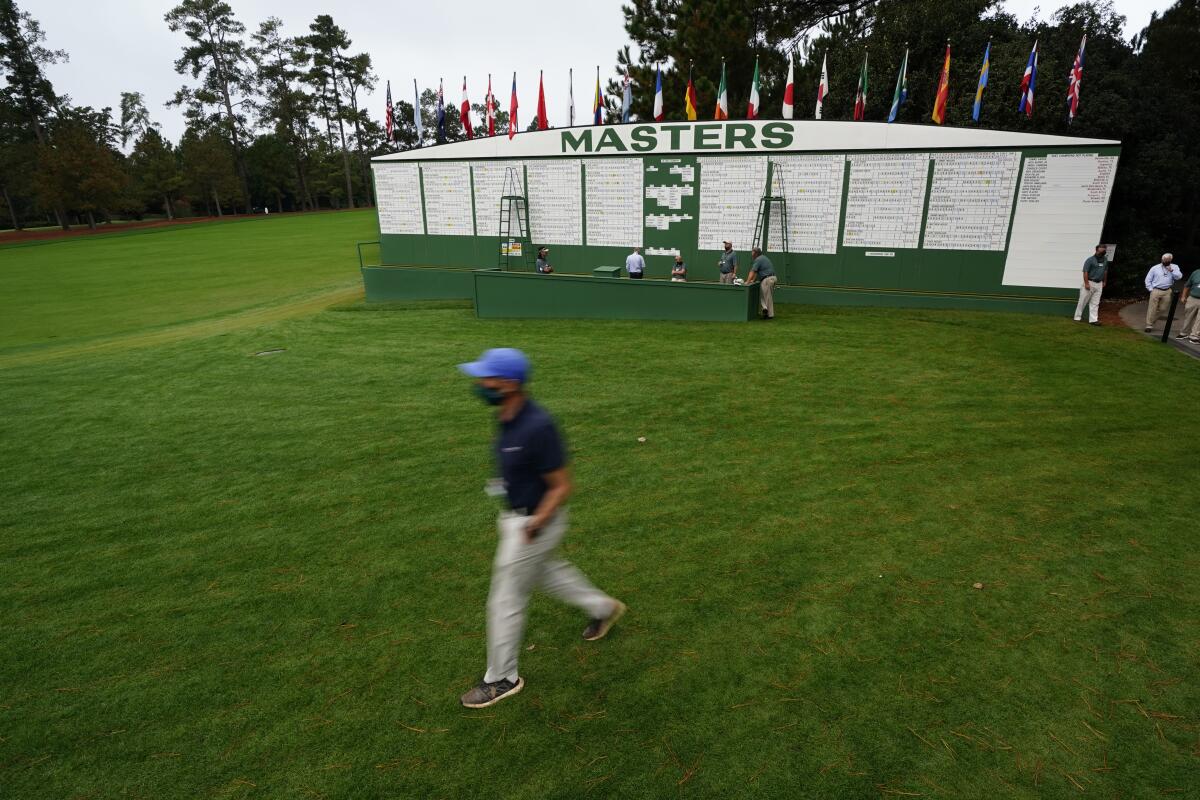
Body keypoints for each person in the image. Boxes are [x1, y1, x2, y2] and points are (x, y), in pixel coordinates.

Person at [456, 348, 626, 709]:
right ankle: (603, 607)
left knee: (505, 599)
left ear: (510, 384)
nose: (480, 384)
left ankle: (502, 678)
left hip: (534, 523)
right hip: (517, 518)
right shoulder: (507, 414)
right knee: (545, 573)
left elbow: (562, 486)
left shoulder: (538, 425)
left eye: (488, 378)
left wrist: (536, 522)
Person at [1143, 253, 1182, 332]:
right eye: (1163, 260)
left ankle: (1152, 319)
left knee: (1163, 309)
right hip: (1156, 290)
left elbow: (1179, 277)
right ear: (1161, 259)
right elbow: (1148, 279)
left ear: (1170, 260)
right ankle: (1149, 325)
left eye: (1167, 261)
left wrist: (1171, 270)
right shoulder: (1155, 268)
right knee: (1152, 308)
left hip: (1167, 291)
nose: (1164, 262)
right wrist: (1151, 289)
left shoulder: (1175, 267)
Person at [1073, 244, 1108, 326]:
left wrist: (1104, 281)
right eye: (1102, 249)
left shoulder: (1105, 260)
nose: (1104, 250)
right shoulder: (1090, 260)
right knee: (1083, 301)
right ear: (1097, 250)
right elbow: (1085, 272)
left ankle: (1093, 320)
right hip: (1090, 282)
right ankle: (1077, 317)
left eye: (1104, 249)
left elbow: (1105, 271)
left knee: (1095, 303)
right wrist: (1086, 283)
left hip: (1099, 283)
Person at [746, 247, 777, 320]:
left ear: (756, 253)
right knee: (764, 296)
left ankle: (770, 315)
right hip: (772, 278)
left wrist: (747, 281)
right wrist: (753, 280)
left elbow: (752, 271)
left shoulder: (758, 259)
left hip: (767, 279)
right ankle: (765, 309)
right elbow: (757, 271)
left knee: (767, 297)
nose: (752, 253)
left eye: (752, 252)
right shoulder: (763, 258)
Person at [1177, 265, 1200, 343]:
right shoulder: (1196, 272)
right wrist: (1183, 296)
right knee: (1188, 316)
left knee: (1199, 319)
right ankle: (1184, 333)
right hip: (1193, 298)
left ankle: (1194, 336)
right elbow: (1187, 285)